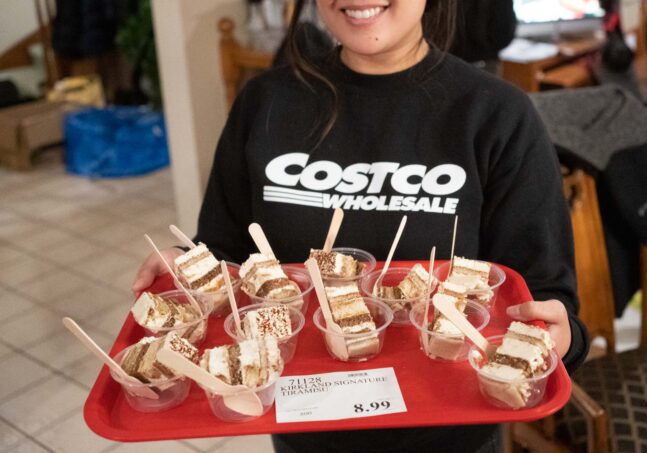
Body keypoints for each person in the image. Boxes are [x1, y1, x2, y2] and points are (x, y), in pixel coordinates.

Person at [132, 0, 589, 451]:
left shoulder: (497, 113)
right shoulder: (265, 102)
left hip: (450, 432)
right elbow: (225, 254)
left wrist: (561, 333)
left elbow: (545, 293)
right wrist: (189, 267)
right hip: (304, 427)